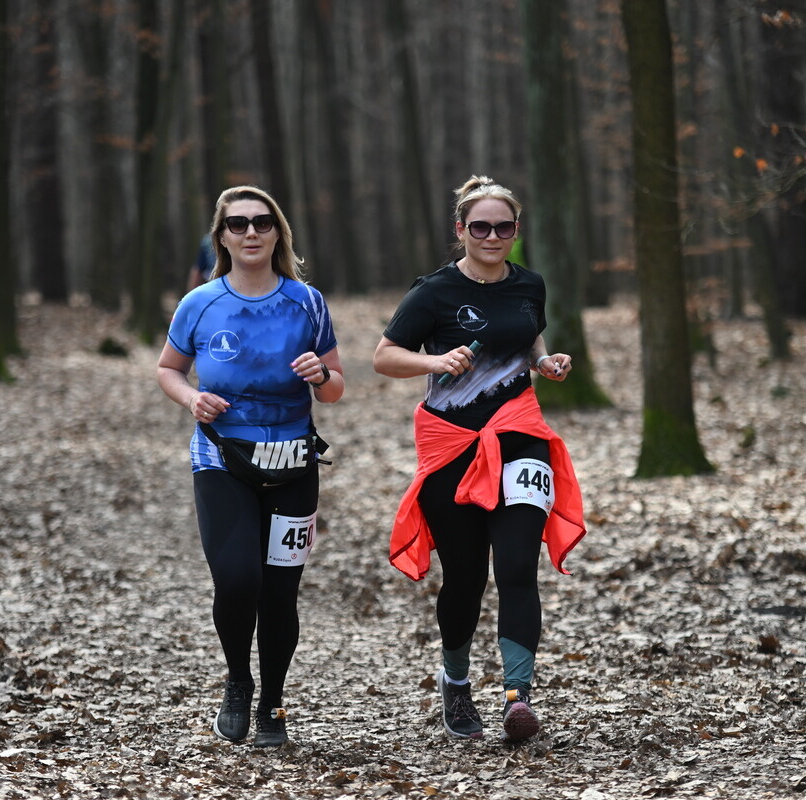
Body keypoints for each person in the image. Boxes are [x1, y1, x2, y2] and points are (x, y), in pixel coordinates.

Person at [373, 175, 586, 744]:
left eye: (504, 227)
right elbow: (384, 357)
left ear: (516, 231)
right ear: (461, 230)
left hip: (520, 437)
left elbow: (529, 338)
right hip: (453, 445)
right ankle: (457, 681)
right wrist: (435, 362)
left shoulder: (530, 285)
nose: (493, 236)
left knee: (517, 565)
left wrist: (544, 363)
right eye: (481, 226)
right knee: (465, 578)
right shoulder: (434, 292)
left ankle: (519, 697)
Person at [157, 185, 345, 747]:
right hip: (221, 457)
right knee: (237, 579)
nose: (251, 233)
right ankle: (238, 680)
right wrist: (192, 399)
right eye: (237, 225)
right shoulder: (200, 303)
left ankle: (273, 705)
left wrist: (320, 376)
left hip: (292, 459)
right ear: (222, 237)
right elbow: (168, 369)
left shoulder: (306, 302)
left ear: (277, 232)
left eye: (262, 223)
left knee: (280, 593)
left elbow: (335, 390)